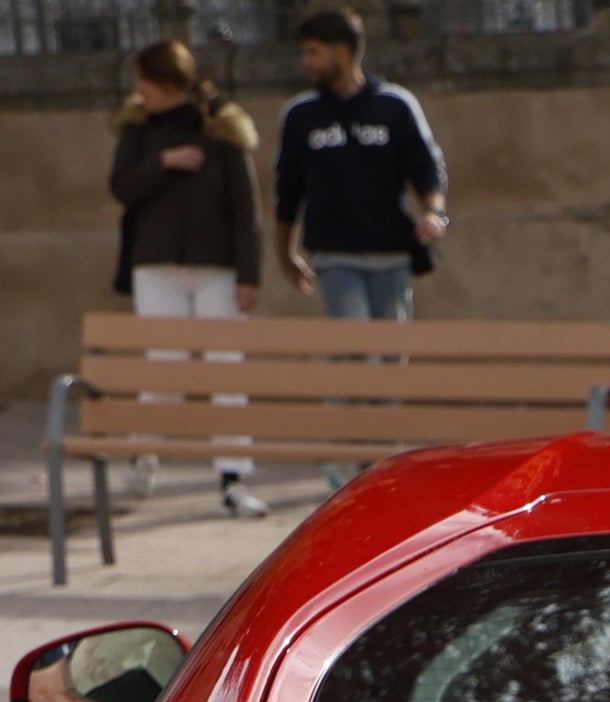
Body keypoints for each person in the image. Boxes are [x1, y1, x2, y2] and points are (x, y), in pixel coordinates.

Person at [112, 38, 268, 518]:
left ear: (165, 81)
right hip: (157, 265)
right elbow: (122, 187)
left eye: (145, 80)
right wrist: (163, 162)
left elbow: (246, 205)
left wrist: (249, 273)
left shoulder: (221, 126)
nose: (139, 90)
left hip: (216, 266)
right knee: (165, 364)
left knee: (225, 368)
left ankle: (232, 477)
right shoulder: (139, 128)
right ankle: (143, 453)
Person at [272, 8, 444, 329]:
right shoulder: (300, 115)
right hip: (335, 253)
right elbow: (288, 192)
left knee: (392, 353)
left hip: (391, 251)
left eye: (313, 52)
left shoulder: (395, 105)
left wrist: (433, 213)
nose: (305, 61)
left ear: (341, 52)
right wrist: (286, 255)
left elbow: (426, 168)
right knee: (355, 344)